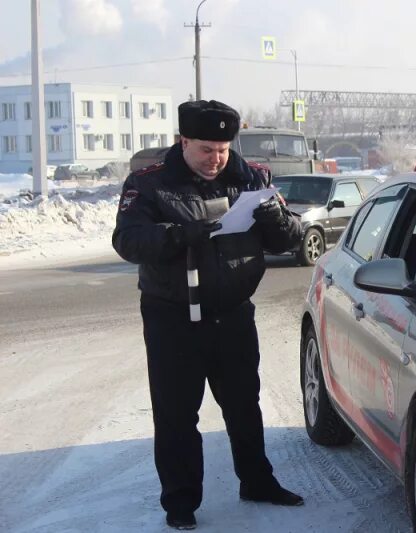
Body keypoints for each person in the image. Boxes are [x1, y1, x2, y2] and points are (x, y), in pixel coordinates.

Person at [112, 100, 303, 530]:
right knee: (177, 415)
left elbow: (286, 239)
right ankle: (180, 503)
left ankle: (257, 482)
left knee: (243, 407)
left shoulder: (251, 177)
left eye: (221, 149)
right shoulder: (150, 184)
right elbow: (127, 240)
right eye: (205, 149)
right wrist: (180, 236)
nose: (215, 159)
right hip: (172, 319)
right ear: (183, 143)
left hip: (232, 314)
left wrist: (275, 216)